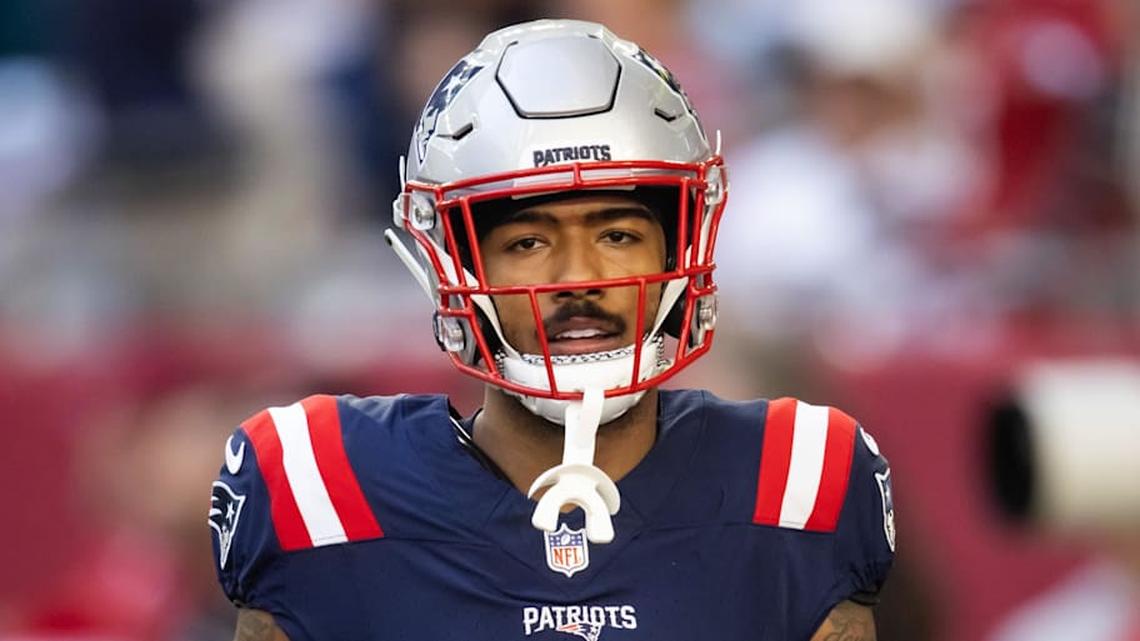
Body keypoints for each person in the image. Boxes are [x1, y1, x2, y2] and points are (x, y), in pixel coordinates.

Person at [208, 19, 896, 641]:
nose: (578, 277)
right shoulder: (317, 488)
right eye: (528, 242)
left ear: (679, 246)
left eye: (618, 234)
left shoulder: (798, 482)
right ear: (453, 262)